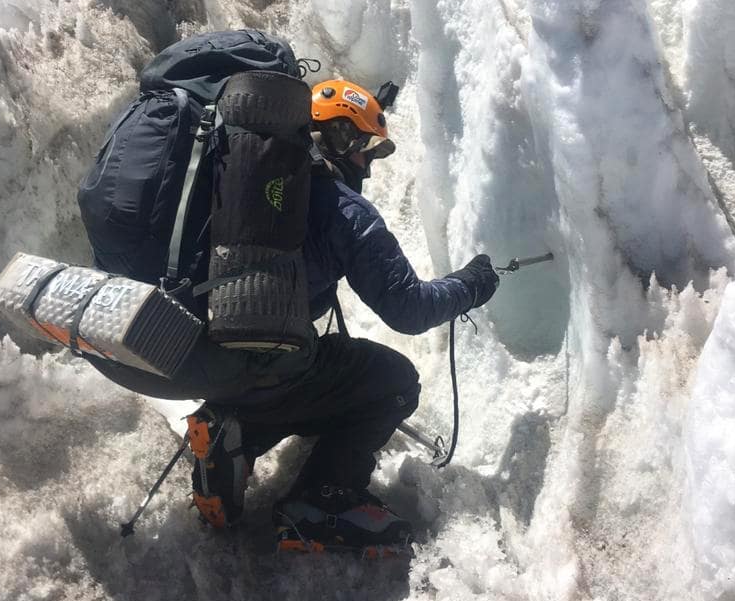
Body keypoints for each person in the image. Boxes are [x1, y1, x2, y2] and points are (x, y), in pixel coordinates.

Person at [184, 77, 499, 553]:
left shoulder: (232, 176)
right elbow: (409, 309)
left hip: (200, 356)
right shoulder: (345, 211)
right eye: (364, 153)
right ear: (339, 139)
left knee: (311, 368)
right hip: (275, 366)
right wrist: (471, 285)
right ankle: (323, 497)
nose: (367, 169)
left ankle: (237, 433)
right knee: (394, 380)